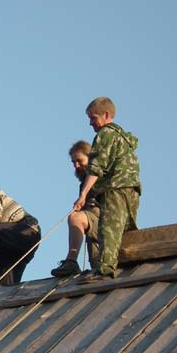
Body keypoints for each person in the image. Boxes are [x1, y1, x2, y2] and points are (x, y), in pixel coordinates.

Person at [73, 97, 141, 281]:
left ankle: (104, 270)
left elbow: (96, 168)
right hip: (132, 190)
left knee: (108, 228)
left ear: (106, 115)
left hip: (115, 187)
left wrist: (83, 195)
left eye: (93, 118)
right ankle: (128, 263)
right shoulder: (123, 137)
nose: (90, 123)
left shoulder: (105, 135)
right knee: (126, 229)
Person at [50, 140, 101, 277]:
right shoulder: (83, 183)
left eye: (79, 161)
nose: (76, 166)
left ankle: (71, 261)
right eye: (73, 162)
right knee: (97, 265)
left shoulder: (102, 175)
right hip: (94, 227)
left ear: (90, 158)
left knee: (75, 218)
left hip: (104, 219)